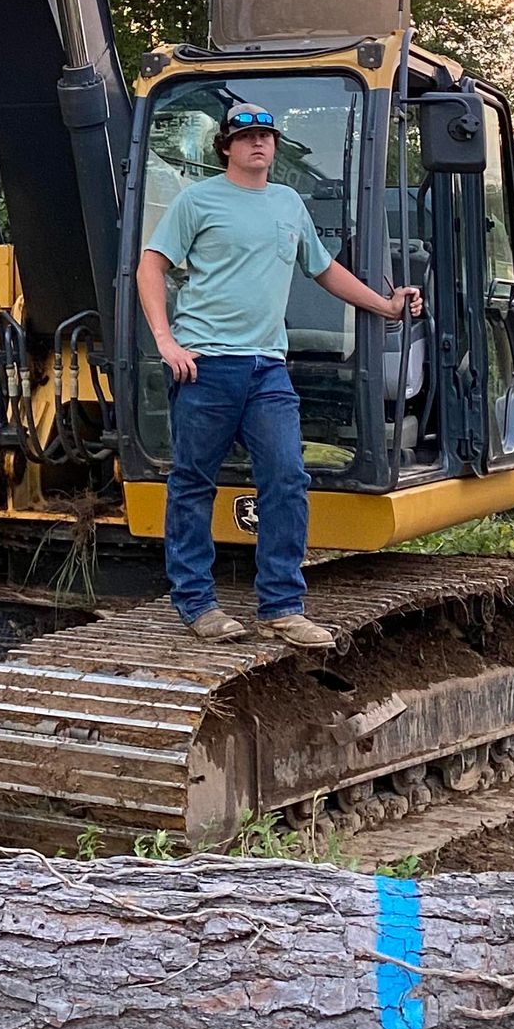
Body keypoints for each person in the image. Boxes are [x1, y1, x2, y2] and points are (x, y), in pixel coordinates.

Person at [135, 101, 422, 648]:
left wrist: (386, 308)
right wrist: (166, 341)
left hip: (268, 367)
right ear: (227, 147)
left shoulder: (288, 204)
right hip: (207, 366)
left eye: (266, 136)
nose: (258, 145)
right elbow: (152, 264)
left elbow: (323, 269)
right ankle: (197, 603)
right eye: (246, 138)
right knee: (193, 484)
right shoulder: (197, 201)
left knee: (287, 479)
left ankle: (282, 607)